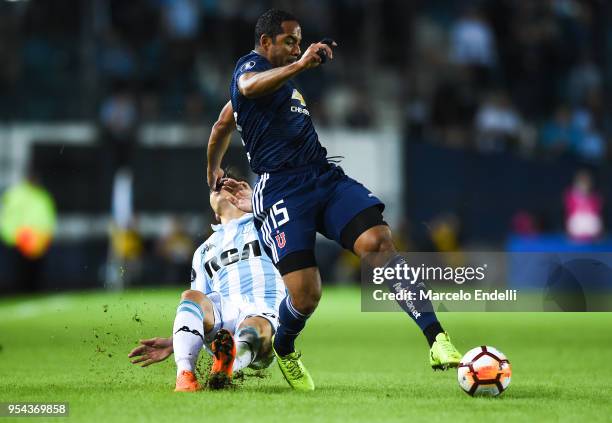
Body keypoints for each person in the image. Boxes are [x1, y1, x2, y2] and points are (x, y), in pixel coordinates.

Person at [206, 9, 462, 392]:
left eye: (299, 41)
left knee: (379, 243)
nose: (296, 48)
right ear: (265, 43)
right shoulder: (251, 68)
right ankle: (285, 345)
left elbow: (225, 122)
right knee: (306, 295)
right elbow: (245, 89)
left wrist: (214, 166)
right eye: (289, 41)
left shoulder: (282, 84)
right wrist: (212, 171)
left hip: (323, 177)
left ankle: (437, 339)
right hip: (281, 192)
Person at [128, 177, 286, 391]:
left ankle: (229, 362)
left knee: (254, 327)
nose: (222, 186)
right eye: (216, 188)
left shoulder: (266, 224)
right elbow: (198, 312)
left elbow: (291, 207)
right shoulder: (203, 251)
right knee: (190, 296)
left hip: (264, 310)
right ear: (214, 211)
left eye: (232, 183)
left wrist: (259, 201)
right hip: (224, 312)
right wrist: (175, 341)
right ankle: (186, 375)